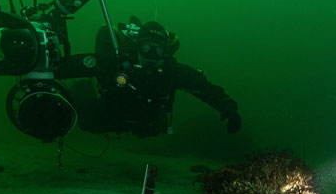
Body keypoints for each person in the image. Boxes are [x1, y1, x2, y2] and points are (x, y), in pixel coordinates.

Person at [64, 17, 241, 137]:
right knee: (88, 123)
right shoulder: (115, 62)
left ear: (165, 52)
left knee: (152, 130)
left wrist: (228, 107)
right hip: (107, 116)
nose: (152, 54)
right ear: (137, 47)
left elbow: (204, 88)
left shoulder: (172, 71)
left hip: (146, 125)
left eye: (158, 49)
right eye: (147, 47)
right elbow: (71, 66)